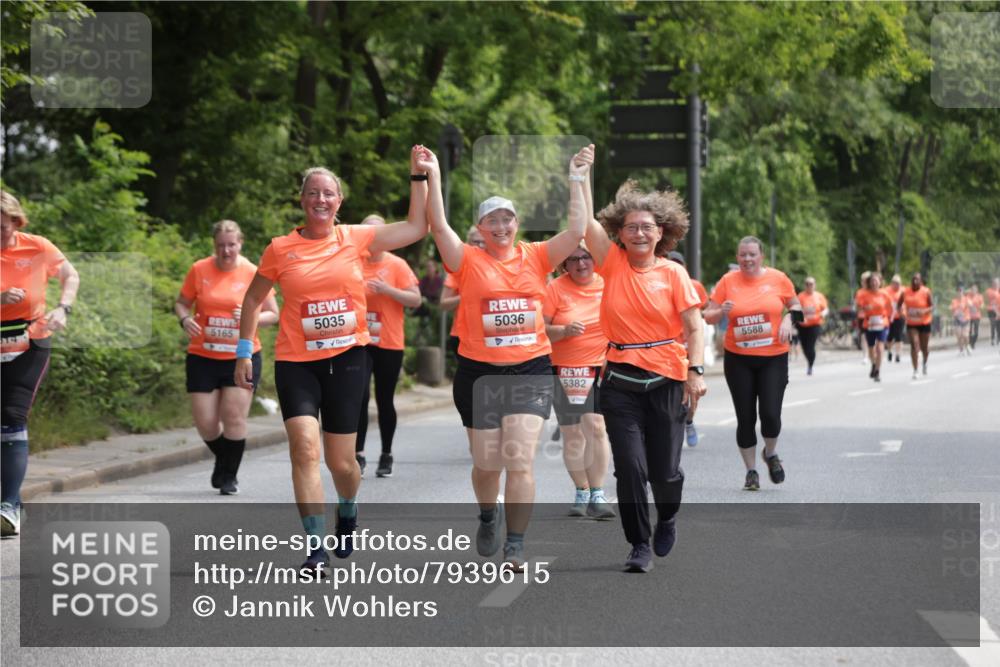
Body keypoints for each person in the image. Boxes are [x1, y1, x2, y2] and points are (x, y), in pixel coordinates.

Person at [233, 149, 428, 574]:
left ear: (339, 203)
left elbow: (417, 227)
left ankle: (349, 506)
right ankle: (315, 550)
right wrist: (244, 351)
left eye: (329, 194)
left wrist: (418, 177)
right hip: (296, 363)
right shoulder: (280, 248)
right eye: (313, 193)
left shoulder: (355, 238)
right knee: (304, 449)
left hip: (347, 359)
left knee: (342, 463)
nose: (320, 200)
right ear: (302, 200)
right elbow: (251, 299)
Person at [424, 145, 590, 572]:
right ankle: (487, 513)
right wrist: (433, 175)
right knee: (486, 464)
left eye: (507, 218)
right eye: (492, 220)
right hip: (479, 374)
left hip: (530, 369)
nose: (501, 225)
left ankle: (515, 544)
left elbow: (575, 233)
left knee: (519, 458)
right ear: (481, 227)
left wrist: (576, 179)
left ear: (516, 224)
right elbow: (438, 225)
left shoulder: (536, 256)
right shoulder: (468, 260)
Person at [581, 177, 706, 573]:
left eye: (647, 227)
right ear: (620, 233)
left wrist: (695, 370)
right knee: (630, 468)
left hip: (666, 381)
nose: (638, 233)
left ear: (661, 233)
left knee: (664, 472)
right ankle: (638, 544)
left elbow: (694, 326)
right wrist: (580, 176)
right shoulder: (611, 262)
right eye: (631, 227)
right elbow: (584, 222)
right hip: (620, 382)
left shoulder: (673, 274)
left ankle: (667, 516)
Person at [175, 220, 279, 495]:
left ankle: (229, 476)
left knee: (233, 417)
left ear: (240, 243)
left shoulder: (253, 272)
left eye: (231, 245)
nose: (226, 251)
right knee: (206, 423)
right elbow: (181, 302)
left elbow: (273, 313)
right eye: (221, 245)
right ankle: (226, 458)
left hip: (241, 355)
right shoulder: (199, 269)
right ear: (214, 245)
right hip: (203, 356)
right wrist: (185, 319)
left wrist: (251, 317)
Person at [1, 191, 80, 536]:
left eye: (2, 229)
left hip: (30, 339)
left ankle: (8, 507)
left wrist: (63, 308)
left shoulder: (37, 247)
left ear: (17, 222)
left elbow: (70, 276)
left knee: (12, 415)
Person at [704, 237, 801, 492]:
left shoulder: (778, 278)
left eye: (752, 255)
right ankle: (751, 472)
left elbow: (796, 306)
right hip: (738, 359)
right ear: (737, 258)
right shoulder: (727, 281)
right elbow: (708, 316)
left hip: (773, 358)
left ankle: (770, 453)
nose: (747, 259)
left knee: (770, 414)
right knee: (745, 417)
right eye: (743, 255)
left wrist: (789, 320)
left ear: (761, 256)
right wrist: (720, 311)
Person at [543, 243, 614, 520]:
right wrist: (564, 330)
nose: (580, 264)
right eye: (572, 260)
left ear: (594, 260)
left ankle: (597, 493)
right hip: (563, 370)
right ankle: (581, 490)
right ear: (564, 265)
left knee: (596, 427)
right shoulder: (555, 289)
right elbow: (541, 330)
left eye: (585, 257)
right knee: (572, 434)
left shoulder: (608, 284)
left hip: (599, 367)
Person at [355, 214, 421, 478]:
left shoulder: (398, 265)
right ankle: (357, 454)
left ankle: (386, 454)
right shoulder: (352, 262)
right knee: (358, 398)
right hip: (358, 341)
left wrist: (387, 290)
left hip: (389, 342)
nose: (372, 239)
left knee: (384, 399)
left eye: (377, 233)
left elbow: (416, 300)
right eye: (367, 233)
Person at [665, 250, 709, 445]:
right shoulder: (660, 284)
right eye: (671, 262)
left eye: (678, 263)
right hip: (670, 348)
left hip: (690, 345)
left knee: (692, 393)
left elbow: (704, 308)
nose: (675, 266)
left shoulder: (695, 286)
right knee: (672, 394)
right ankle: (671, 427)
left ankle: (689, 420)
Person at [855, 272, 893, 382]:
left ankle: (877, 371)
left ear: (880, 282)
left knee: (880, 348)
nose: (874, 283)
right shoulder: (864, 294)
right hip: (869, 324)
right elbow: (858, 308)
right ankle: (873, 364)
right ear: (869, 283)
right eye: (872, 281)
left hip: (882, 323)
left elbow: (890, 308)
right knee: (871, 349)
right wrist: (865, 309)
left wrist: (888, 318)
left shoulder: (884, 294)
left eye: (876, 281)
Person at [900, 272, 933, 379]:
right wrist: (902, 313)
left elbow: (932, 306)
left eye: (917, 279)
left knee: (925, 347)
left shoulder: (926, 291)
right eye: (913, 279)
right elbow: (899, 305)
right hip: (911, 323)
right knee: (914, 345)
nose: (915, 282)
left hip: (924, 322)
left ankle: (925, 362)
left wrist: (924, 311)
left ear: (921, 281)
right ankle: (915, 370)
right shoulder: (905, 292)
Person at [795, 276, 828, 375]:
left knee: (810, 345)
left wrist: (823, 314)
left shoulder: (819, 296)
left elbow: (825, 309)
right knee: (804, 346)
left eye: (811, 284)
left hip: (815, 324)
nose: (809, 286)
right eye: (807, 284)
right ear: (805, 285)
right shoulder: (800, 296)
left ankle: (810, 365)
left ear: (815, 285)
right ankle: (809, 361)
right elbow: (796, 309)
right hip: (802, 325)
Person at [884, 274, 905, 363]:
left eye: (898, 283)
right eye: (894, 283)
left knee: (899, 336)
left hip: (900, 316)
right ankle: (889, 351)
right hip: (889, 317)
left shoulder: (903, 290)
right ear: (892, 283)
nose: (896, 285)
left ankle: (898, 354)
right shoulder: (887, 290)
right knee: (889, 336)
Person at [855, 271, 871, 363]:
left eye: (866, 280)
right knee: (863, 336)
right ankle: (865, 355)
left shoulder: (874, 291)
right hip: (862, 317)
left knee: (873, 336)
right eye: (862, 280)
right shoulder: (859, 292)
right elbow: (858, 305)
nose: (864, 282)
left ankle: (873, 353)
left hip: (873, 317)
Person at [951, 287, 971, 356]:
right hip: (957, 319)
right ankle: (961, 350)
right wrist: (955, 311)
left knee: (965, 335)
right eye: (958, 291)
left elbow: (970, 305)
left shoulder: (966, 299)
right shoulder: (954, 301)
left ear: (962, 292)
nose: (959, 293)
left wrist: (969, 304)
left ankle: (967, 345)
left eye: (961, 291)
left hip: (965, 319)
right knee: (959, 335)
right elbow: (952, 309)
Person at [966, 284, 983, 350]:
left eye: (975, 289)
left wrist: (981, 306)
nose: (973, 291)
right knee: (969, 330)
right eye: (972, 289)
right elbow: (966, 302)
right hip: (969, 316)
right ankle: (970, 343)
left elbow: (982, 304)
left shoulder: (979, 296)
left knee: (976, 332)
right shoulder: (968, 296)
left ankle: (973, 342)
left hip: (977, 316)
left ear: (977, 290)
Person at [988, 278, 1000, 346]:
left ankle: (998, 338)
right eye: (995, 283)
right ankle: (992, 339)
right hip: (992, 310)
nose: (996, 284)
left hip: (999, 310)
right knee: (993, 325)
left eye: (997, 283)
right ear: (992, 284)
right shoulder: (990, 291)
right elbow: (991, 300)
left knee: (999, 325)